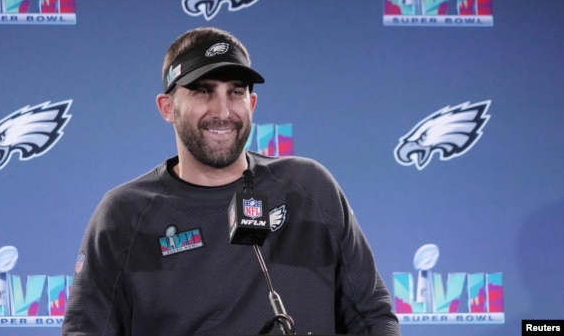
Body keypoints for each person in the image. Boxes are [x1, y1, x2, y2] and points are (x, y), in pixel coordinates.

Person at [62, 27, 402, 336]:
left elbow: (371, 317)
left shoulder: (309, 187)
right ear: (167, 107)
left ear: (251, 103)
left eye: (235, 92)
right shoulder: (124, 214)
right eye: (203, 91)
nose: (223, 111)